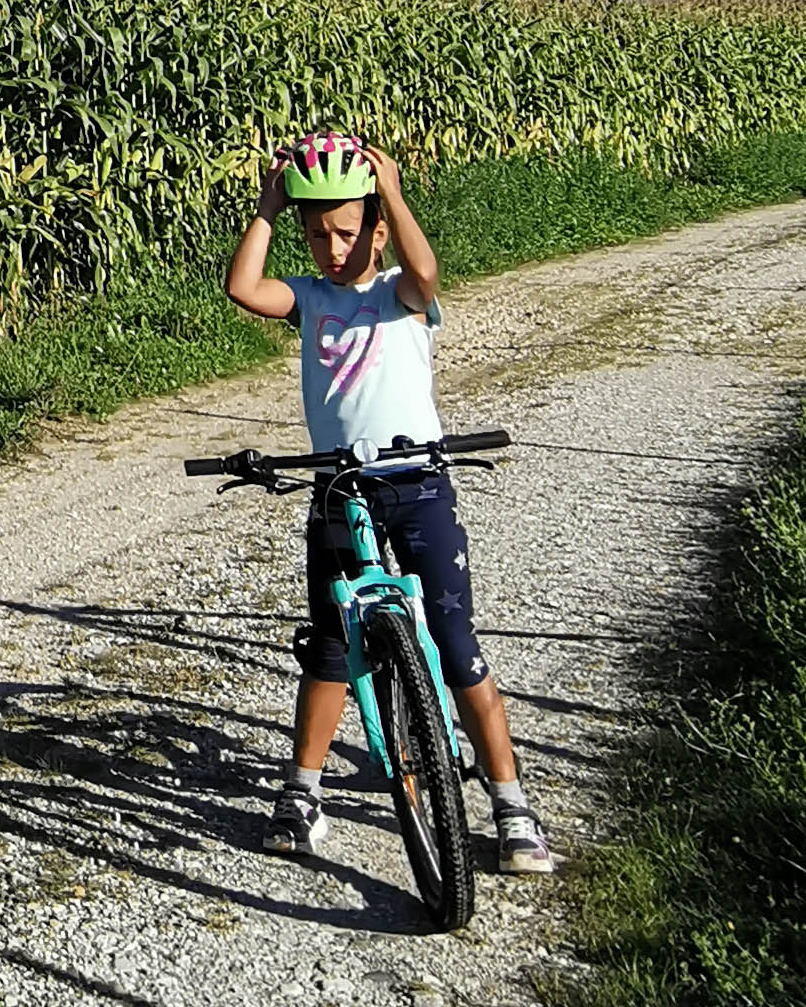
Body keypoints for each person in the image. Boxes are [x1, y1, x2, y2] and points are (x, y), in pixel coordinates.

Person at [220, 133, 556, 876]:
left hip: (419, 483)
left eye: (346, 233)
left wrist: (394, 196)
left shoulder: (399, 292)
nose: (331, 249)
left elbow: (427, 271)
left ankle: (511, 806)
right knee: (333, 647)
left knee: (457, 644)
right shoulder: (308, 297)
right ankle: (302, 795)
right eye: (318, 235)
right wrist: (271, 206)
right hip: (340, 486)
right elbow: (245, 287)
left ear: (376, 231)